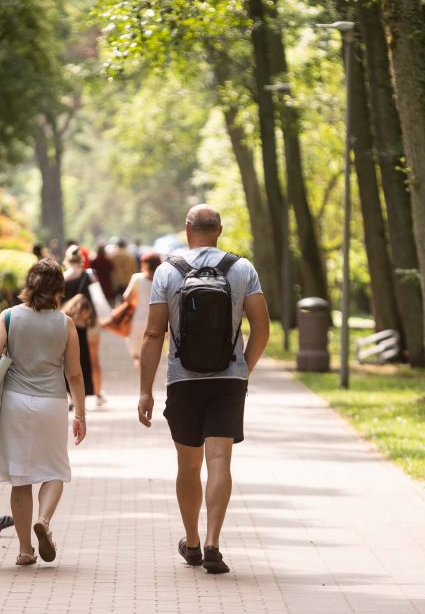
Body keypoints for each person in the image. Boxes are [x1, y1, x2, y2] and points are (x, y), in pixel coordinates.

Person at [137, 204, 270, 575]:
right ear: (220, 230)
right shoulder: (242, 268)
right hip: (229, 381)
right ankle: (213, 542)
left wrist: (145, 390)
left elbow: (152, 333)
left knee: (188, 464)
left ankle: (191, 542)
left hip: (183, 380)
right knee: (219, 462)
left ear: (187, 229)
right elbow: (262, 328)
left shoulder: (167, 271)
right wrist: (243, 368)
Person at [0, 259, 87, 566]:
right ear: (58, 289)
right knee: (55, 470)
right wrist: (80, 414)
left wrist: (7, 353)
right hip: (52, 403)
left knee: (20, 478)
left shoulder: (9, 317)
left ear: (28, 285)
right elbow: (76, 375)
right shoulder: (65, 324)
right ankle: (43, 519)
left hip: (15, 402)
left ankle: (25, 550)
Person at [61, 246, 103, 404]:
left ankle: (71, 395)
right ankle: (97, 394)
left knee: (68, 359)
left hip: (67, 323)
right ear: (82, 260)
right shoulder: (90, 275)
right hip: (89, 321)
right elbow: (99, 299)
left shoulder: (62, 278)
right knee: (93, 358)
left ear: (66, 260)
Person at [122, 252, 161, 367]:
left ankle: (142, 382)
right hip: (156, 323)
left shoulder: (137, 278)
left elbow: (126, 297)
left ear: (145, 264)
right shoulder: (161, 280)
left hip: (138, 322)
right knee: (152, 355)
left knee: (137, 355)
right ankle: (150, 382)